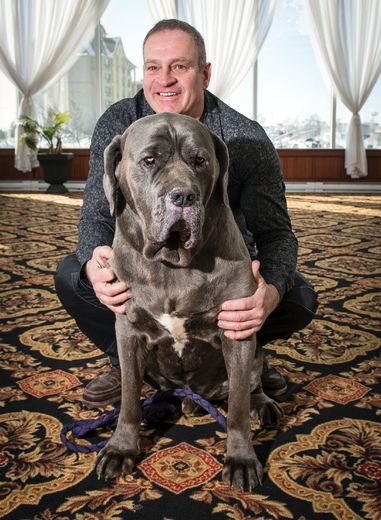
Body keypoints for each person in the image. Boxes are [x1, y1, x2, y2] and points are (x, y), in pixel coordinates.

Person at [55, 19, 318, 408]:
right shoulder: (118, 123)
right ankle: (124, 360)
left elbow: (277, 234)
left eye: (180, 66)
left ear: (205, 74)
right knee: (70, 277)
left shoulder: (244, 137)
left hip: (217, 278)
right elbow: (97, 210)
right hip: (143, 273)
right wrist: (94, 261)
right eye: (153, 67)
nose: (165, 79)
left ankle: (242, 361)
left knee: (297, 298)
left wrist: (267, 296)